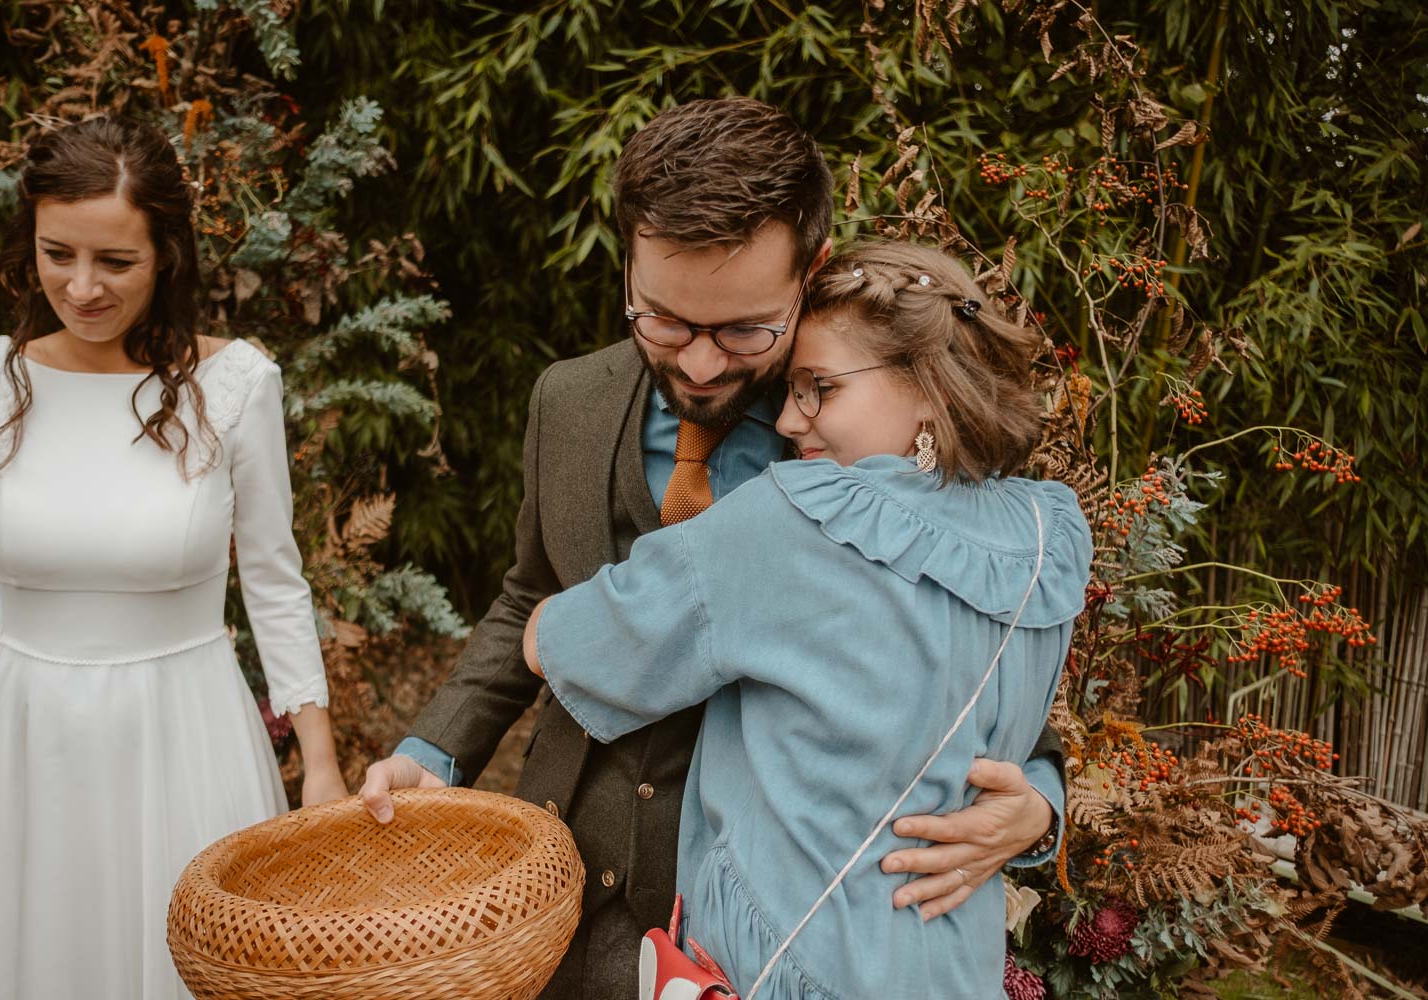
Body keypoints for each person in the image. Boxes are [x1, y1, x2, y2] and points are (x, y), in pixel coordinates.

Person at [361, 97, 1068, 996]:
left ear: (811, 272)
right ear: (627, 266)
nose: (699, 364)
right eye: (664, 321)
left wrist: (1037, 804)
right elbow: (527, 593)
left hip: (753, 931)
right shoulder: (566, 402)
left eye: (743, 330)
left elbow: (983, 671)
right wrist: (435, 753)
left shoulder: (870, 446)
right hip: (561, 890)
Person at [0, 117, 346, 1000]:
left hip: (187, 736)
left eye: (116, 262)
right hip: (26, 747)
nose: (80, 288)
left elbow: (274, 582)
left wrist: (320, 766)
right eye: (57, 254)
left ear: (168, 256)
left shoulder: (235, 387)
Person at [524, 239, 1093, 998]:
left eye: (819, 387)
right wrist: (1041, 805)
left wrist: (542, 621)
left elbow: (578, 644)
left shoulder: (800, 515)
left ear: (931, 388)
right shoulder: (1050, 536)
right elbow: (994, 724)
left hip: (789, 963)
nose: (790, 420)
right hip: (951, 967)